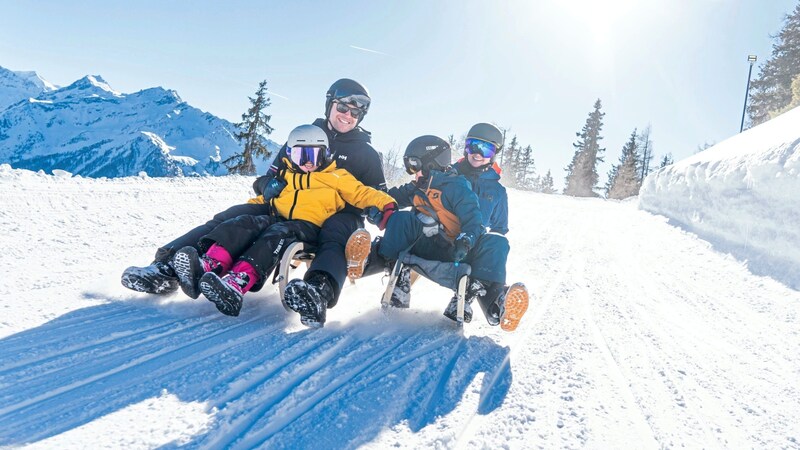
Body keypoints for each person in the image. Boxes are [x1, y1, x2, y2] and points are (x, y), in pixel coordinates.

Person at [121, 78, 387, 310]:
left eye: (355, 112)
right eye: (342, 107)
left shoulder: (365, 153)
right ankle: (168, 268)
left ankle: (318, 290)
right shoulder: (304, 135)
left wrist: (378, 211)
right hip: (286, 203)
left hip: (338, 214)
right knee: (233, 216)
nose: (347, 115)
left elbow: (374, 194)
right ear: (329, 104)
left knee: (336, 230)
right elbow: (272, 175)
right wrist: (266, 186)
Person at [169, 124, 396, 326]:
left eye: (314, 156)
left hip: (309, 228)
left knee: (276, 233)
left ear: (325, 155)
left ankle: (238, 282)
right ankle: (209, 265)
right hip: (281, 218)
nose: (308, 162)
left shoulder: (336, 177)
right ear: (289, 155)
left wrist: (386, 205)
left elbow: (363, 193)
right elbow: (269, 199)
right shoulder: (286, 176)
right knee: (244, 222)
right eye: (301, 155)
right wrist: (256, 200)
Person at [346, 135, 528, 332]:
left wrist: (466, 240)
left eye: (414, 165)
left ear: (432, 163)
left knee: (497, 243)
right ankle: (371, 265)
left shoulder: (456, 186)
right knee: (401, 219)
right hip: (427, 245)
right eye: (409, 167)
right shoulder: (418, 186)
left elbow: (474, 221)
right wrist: (375, 207)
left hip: (456, 250)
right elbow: (388, 198)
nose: (412, 172)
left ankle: (495, 304)